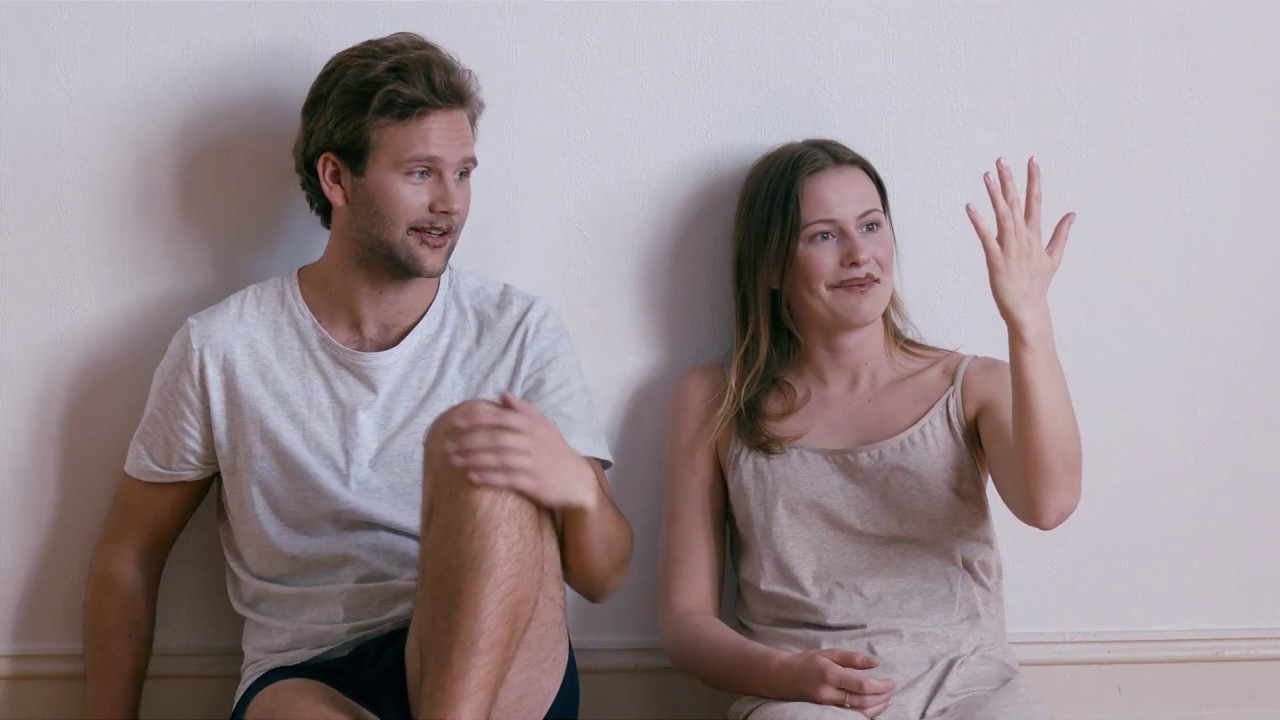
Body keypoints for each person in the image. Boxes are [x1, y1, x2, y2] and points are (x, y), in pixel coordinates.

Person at [84, 32, 633, 720]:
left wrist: (576, 487)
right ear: (336, 179)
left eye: (463, 173)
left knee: (475, 436)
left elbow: (602, 576)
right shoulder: (221, 348)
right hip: (313, 669)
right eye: (421, 173)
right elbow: (131, 554)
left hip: (499, 664)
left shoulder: (518, 331)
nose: (450, 203)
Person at [659, 139, 1081, 719]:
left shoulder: (973, 386)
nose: (859, 254)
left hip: (972, 692)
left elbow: (1050, 505)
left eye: (871, 225)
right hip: (805, 701)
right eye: (823, 236)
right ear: (771, 264)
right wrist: (785, 674)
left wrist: (1028, 320)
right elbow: (685, 624)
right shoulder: (714, 400)